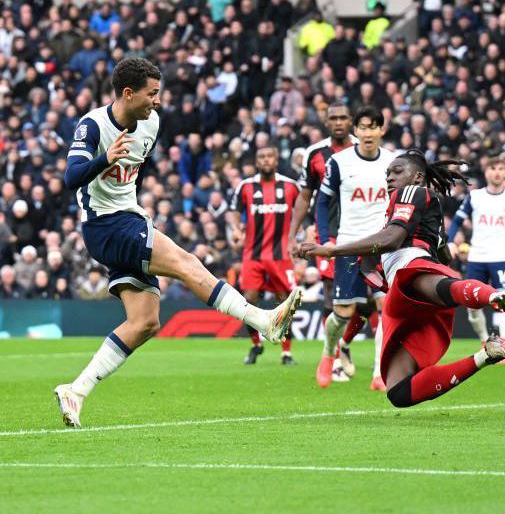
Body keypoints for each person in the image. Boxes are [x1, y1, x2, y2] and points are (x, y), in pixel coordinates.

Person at [54, 58, 301, 428]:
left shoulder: (151, 123)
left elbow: (135, 169)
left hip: (128, 218)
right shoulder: (93, 125)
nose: (157, 101)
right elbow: (71, 177)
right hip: (106, 226)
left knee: (145, 322)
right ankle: (262, 320)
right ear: (127, 93)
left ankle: (77, 389)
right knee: (187, 263)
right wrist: (105, 158)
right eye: (151, 93)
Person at [299, 150, 505, 408]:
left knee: (424, 282)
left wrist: (332, 250)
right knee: (399, 393)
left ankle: (492, 295)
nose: (389, 177)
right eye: (388, 173)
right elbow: (443, 255)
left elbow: (392, 240)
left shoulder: (410, 192)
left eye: (397, 171)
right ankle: (486, 354)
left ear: (417, 176)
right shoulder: (427, 205)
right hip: (405, 290)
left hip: (410, 267)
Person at [315, 106, 395, 390]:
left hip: (381, 247)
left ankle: (379, 373)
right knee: (342, 313)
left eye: (373, 127)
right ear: (356, 131)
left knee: (386, 307)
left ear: (382, 130)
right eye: (363, 127)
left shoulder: (394, 162)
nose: (368, 133)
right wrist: (326, 239)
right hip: (349, 245)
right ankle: (328, 354)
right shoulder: (339, 162)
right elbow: (322, 202)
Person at [289, 102, 355, 382]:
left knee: (369, 301)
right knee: (332, 294)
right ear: (326, 122)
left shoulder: (364, 152)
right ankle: (335, 357)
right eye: (334, 118)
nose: (339, 122)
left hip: (364, 232)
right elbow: (305, 196)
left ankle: (347, 345)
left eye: (343, 117)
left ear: (351, 120)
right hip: (330, 234)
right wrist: (294, 234)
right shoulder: (315, 154)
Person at [227, 146, 301, 365]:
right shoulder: (246, 186)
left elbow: (303, 210)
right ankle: (255, 345)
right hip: (253, 255)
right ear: (257, 162)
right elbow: (232, 211)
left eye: (270, 156)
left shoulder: (290, 186)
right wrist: (235, 228)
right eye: (262, 157)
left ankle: (286, 353)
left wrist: (300, 235)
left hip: (281, 256)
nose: (266, 160)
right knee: (247, 302)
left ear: (276, 160)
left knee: (285, 302)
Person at [447, 158, 505, 344]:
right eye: (493, 168)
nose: (497, 172)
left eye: (501, 168)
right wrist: (450, 241)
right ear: (487, 172)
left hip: (501, 257)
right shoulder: (475, 197)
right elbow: (457, 221)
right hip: (477, 258)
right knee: (472, 307)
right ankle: (485, 340)